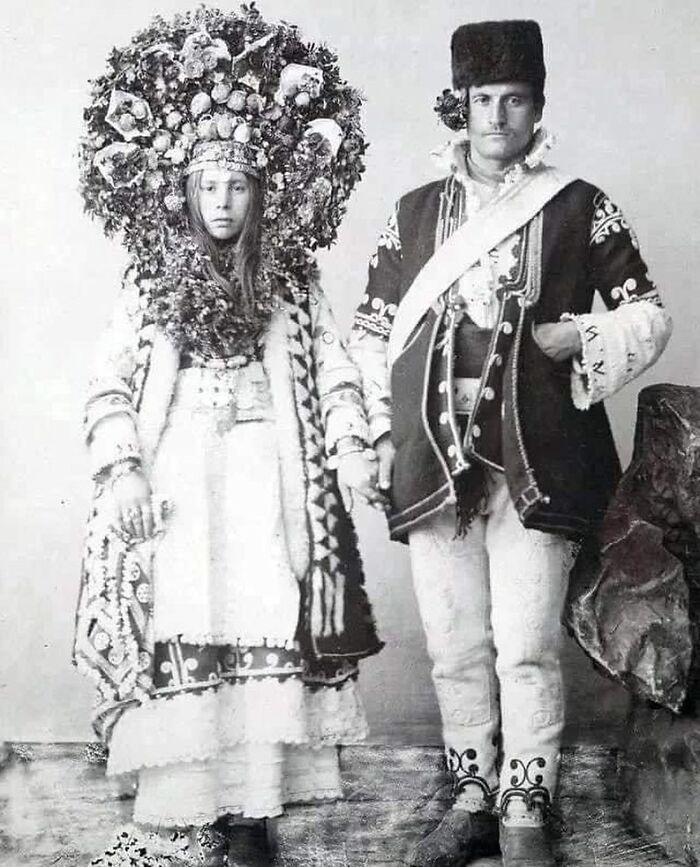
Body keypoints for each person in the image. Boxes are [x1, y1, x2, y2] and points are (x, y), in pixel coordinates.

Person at [349, 19, 672, 867]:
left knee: (526, 642)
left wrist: (584, 338)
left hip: (539, 461)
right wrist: (378, 436)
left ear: (538, 108)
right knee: (456, 643)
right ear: (459, 107)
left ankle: (526, 798)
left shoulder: (576, 206)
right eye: (481, 100)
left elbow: (650, 312)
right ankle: (469, 796)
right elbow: (364, 335)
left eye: (514, 101)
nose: (496, 118)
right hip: (435, 460)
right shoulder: (415, 215)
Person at [74, 7, 382, 866]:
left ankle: (252, 813)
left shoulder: (289, 276)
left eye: (238, 184)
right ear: (183, 189)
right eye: (208, 184)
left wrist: (353, 443)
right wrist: (124, 466)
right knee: (190, 615)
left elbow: (335, 366)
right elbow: (107, 381)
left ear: (261, 191)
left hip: (264, 470)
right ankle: (182, 812)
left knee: (264, 616)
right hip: (181, 474)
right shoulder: (151, 275)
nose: (221, 201)